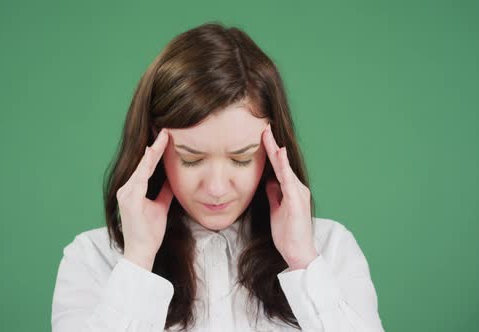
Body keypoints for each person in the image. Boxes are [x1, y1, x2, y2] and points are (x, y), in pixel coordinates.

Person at [51, 22, 385, 332]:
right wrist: (138, 260)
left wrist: (302, 261)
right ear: (155, 143)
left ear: (272, 149)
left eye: (241, 158)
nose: (215, 188)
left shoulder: (330, 248)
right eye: (191, 159)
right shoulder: (93, 258)